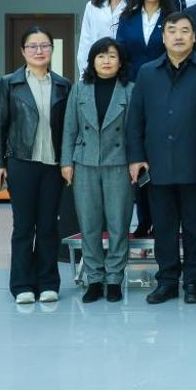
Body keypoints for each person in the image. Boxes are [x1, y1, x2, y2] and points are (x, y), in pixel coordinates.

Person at [126, 12, 196, 305]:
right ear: (163, 37)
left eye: (185, 30)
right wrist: (136, 156)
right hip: (157, 163)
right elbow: (135, 118)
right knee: (163, 228)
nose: (178, 36)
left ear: (194, 37)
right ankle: (166, 281)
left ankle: (193, 283)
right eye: (172, 30)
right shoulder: (147, 72)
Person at [0, 26, 69, 305]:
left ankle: (48, 283)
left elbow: (68, 128)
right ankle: (21, 285)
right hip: (21, 162)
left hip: (53, 165)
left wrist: (68, 162)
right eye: (32, 46)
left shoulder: (63, 85)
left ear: (52, 50)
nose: (39, 51)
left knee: (48, 226)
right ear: (23, 51)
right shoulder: (9, 83)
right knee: (23, 226)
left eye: (44, 45)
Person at [60, 38, 133, 303]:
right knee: (89, 225)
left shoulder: (130, 90)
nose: (106, 61)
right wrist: (66, 163)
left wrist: (136, 162)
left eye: (112, 56)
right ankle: (94, 279)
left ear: (120, 62)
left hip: (119, 163)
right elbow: (70, 128)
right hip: (84, 163)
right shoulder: (79, 89)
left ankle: (114, 279)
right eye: (100, 56)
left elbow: (136, 131)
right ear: (92, 61)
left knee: (118, 224)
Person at [114, 0, 174, 238]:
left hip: (165, 90)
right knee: (138, 151)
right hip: (133, 90)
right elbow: (120, 54)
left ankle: (163, 217)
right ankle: (143, 219)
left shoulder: (172, 17)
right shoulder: (127, 17)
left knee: (161, 152)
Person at [75, 0, 134, 77]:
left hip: (128, 68)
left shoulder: (135, 5)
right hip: (99, 69)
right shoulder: (92, 6)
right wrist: (84, 74)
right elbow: (85, 42)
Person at [115, 0, 174, 82]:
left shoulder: (173, 18)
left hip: (165, 81)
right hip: (131, 82)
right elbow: (120, 51)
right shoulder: (127, 17)